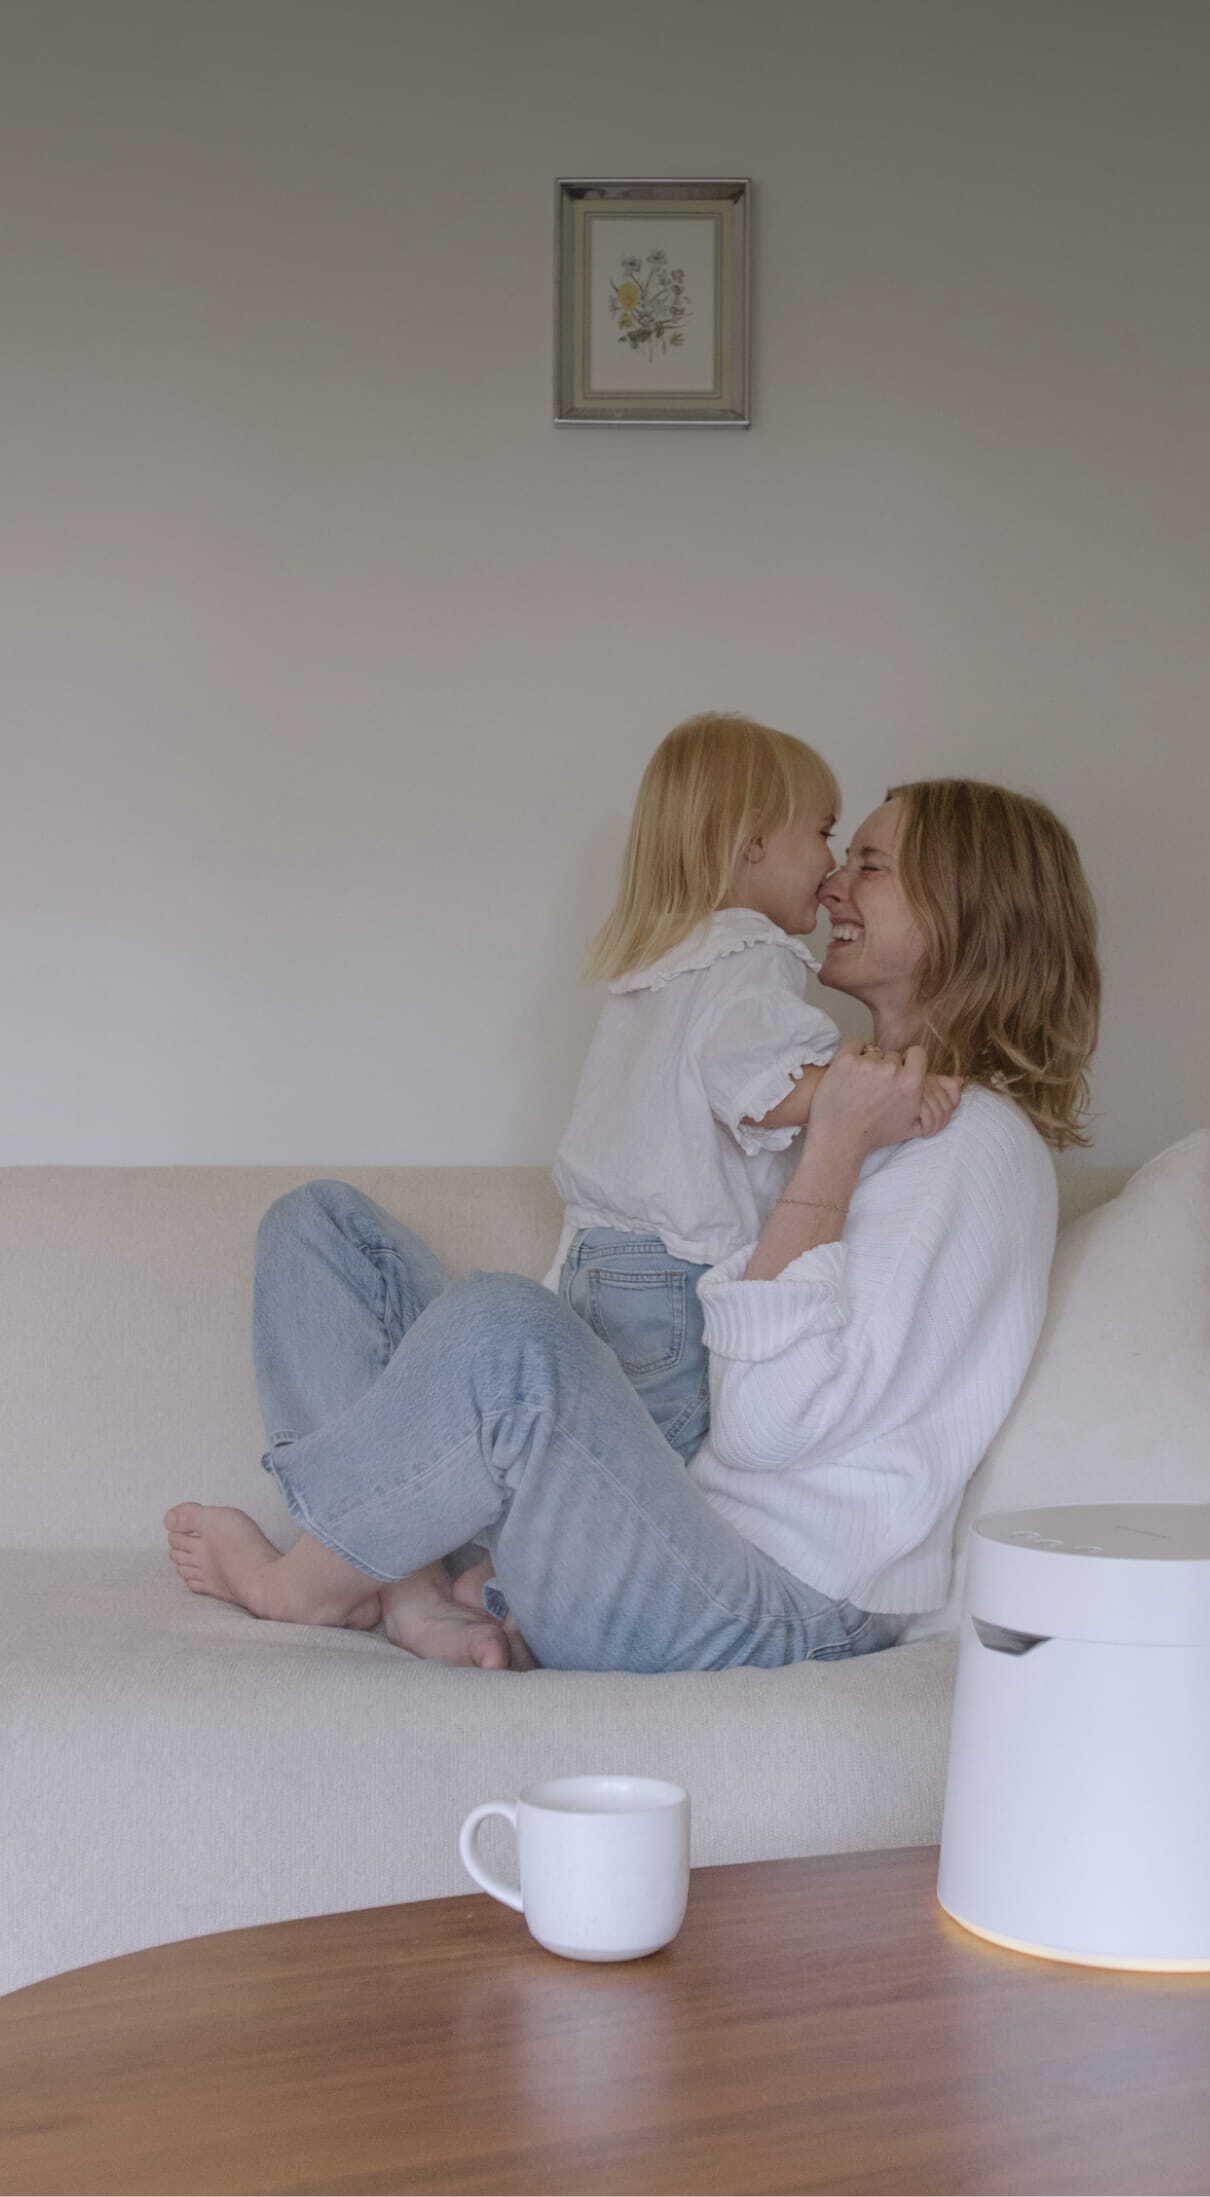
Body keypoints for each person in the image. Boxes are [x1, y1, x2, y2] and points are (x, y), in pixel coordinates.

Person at [165, 778, 1102, 1674]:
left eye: (870, 863)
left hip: (776, 1602)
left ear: (965, 912)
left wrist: (834, 1148)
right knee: (323, 1231)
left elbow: (771, 1425)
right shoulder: (840, 1093)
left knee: (503, 1331)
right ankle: (409, 1589)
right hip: (673, 1525)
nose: (831, 882)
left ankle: (303, 1583)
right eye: (840, 854)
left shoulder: (974, 1145)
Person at [545, 710, 960, 1471]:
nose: (831, 870)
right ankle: (535, 1581)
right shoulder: (753, 951)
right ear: (754, 844)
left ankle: (505, 1567)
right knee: (651, 1477)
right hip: (671, 1271)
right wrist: (875, 1089)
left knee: (584, 1457)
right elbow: (759, 1088)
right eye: (826, 835)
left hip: (591, 1258)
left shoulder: (663, 956)